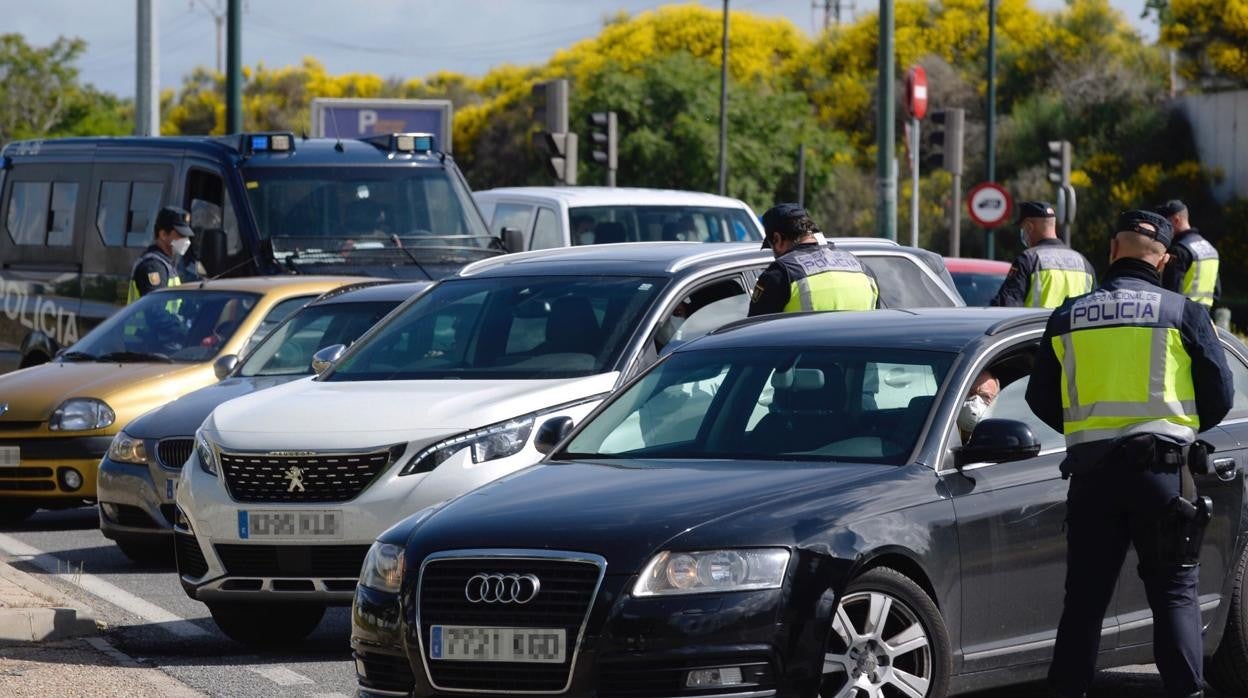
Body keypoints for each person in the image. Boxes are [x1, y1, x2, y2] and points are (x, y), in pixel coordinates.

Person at [1025, 210, 1234, 698]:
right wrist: (1177, 430)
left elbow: (1039, 397)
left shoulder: (1069, 314)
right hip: (1162, 475)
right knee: (1174, 594)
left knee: (1084, 602)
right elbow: (1219, 394)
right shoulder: (1182, 312)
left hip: (1092, 476)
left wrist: (1085, 431)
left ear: (1113, 251)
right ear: (1162, 261)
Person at [747, 204, 878, 317]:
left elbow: (751, 335)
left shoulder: (780, 274)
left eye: (771, 246)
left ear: (777, 238)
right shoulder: (861, 268)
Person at [990, 201, 1096, 308]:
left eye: (1022, 228)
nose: (1022, 232)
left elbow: (1005, 305)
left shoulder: (1028, 260)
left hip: (1037, 325)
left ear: (1029, 227)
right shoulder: (1084, 263)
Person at [1156, 199, 1220, 309]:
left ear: (1176, 220)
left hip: (1184, 317)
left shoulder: (1178, 251)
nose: (1162, 228)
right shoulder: (1210, 248)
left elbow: (1171, 294)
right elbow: (1217, 292)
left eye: (1165, 222)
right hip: (1205, 316)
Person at [128, 206, 193, 303]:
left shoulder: (167, 263)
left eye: (187, 236)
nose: (186, 240)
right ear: (163, 235)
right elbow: (155, 310)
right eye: (181, 235)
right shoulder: (153, 267)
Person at [958, 369, 1000, 441]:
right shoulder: (942, 429)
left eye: (986, 396)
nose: (976, 400)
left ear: (995, 404)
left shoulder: (998, 444)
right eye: (971, 393)